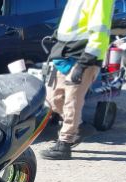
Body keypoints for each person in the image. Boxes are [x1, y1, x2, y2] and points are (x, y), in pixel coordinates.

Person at [41, 0, 114, 160]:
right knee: (53, 99)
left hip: (83, 57)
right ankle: (79, 127)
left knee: (72, 101)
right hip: (63, 53)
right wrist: (56, 36)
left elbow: (99, 33)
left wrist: (83, 64)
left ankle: (64, 145)